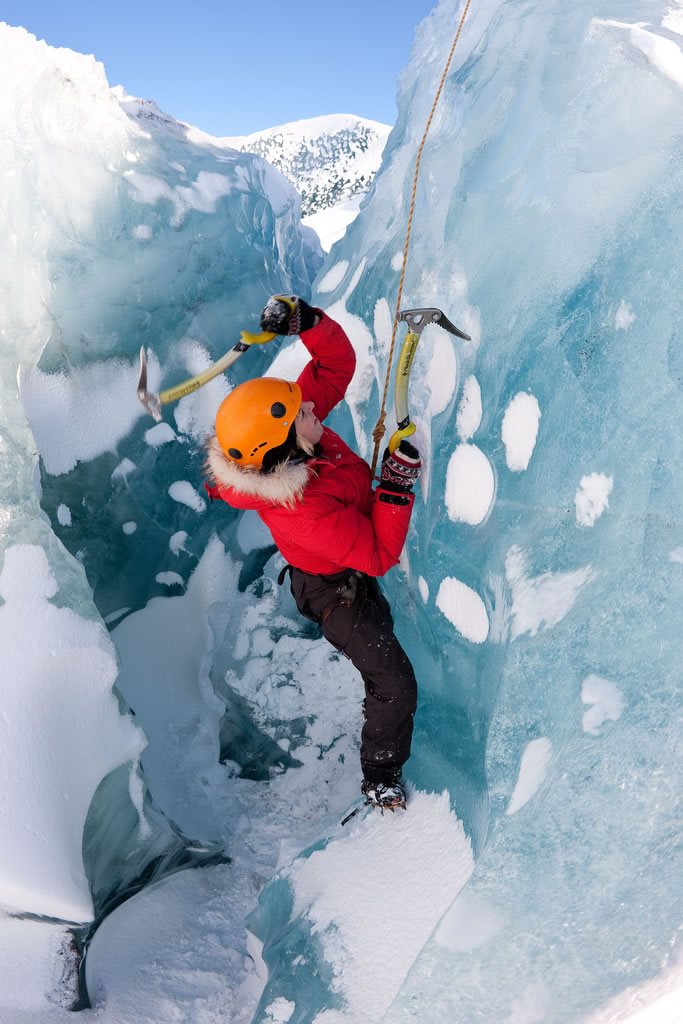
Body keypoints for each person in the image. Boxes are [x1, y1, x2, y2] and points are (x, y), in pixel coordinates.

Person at [205, 295, 421, 810]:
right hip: (334, 593)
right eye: (302, 412)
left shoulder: (288, 437)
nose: (311, 405)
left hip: (339, 561)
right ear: (286, 449)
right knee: (395, 683)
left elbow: (335, 365)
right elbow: (376, 555)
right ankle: (380, 777)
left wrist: (308, 322)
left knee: (386, 646)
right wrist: (394, 488)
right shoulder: (305, 510)